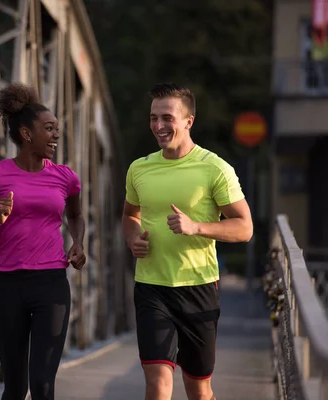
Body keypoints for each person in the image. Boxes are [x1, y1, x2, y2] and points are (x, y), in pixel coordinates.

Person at [122, 83, 253, 400]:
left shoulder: (214, 168)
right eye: (153, 118)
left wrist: (196, 227)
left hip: (199, 287)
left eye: (167, 117)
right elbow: (129, 215)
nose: (158, 126)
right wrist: (133, 238)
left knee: (199, 389)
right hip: (152, 287)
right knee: (157, 385)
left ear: (188, 121)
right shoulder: (139, 169)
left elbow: (244, 228)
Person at [0, 82, 86, 400]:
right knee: (15, 387)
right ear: (27, 134)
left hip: (51, 285)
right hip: (7, 287)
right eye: (49, 129)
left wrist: (78, 242)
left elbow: (75, 216)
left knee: (43, 384)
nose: (56, 135)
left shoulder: (65, 177)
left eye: (57, 129)